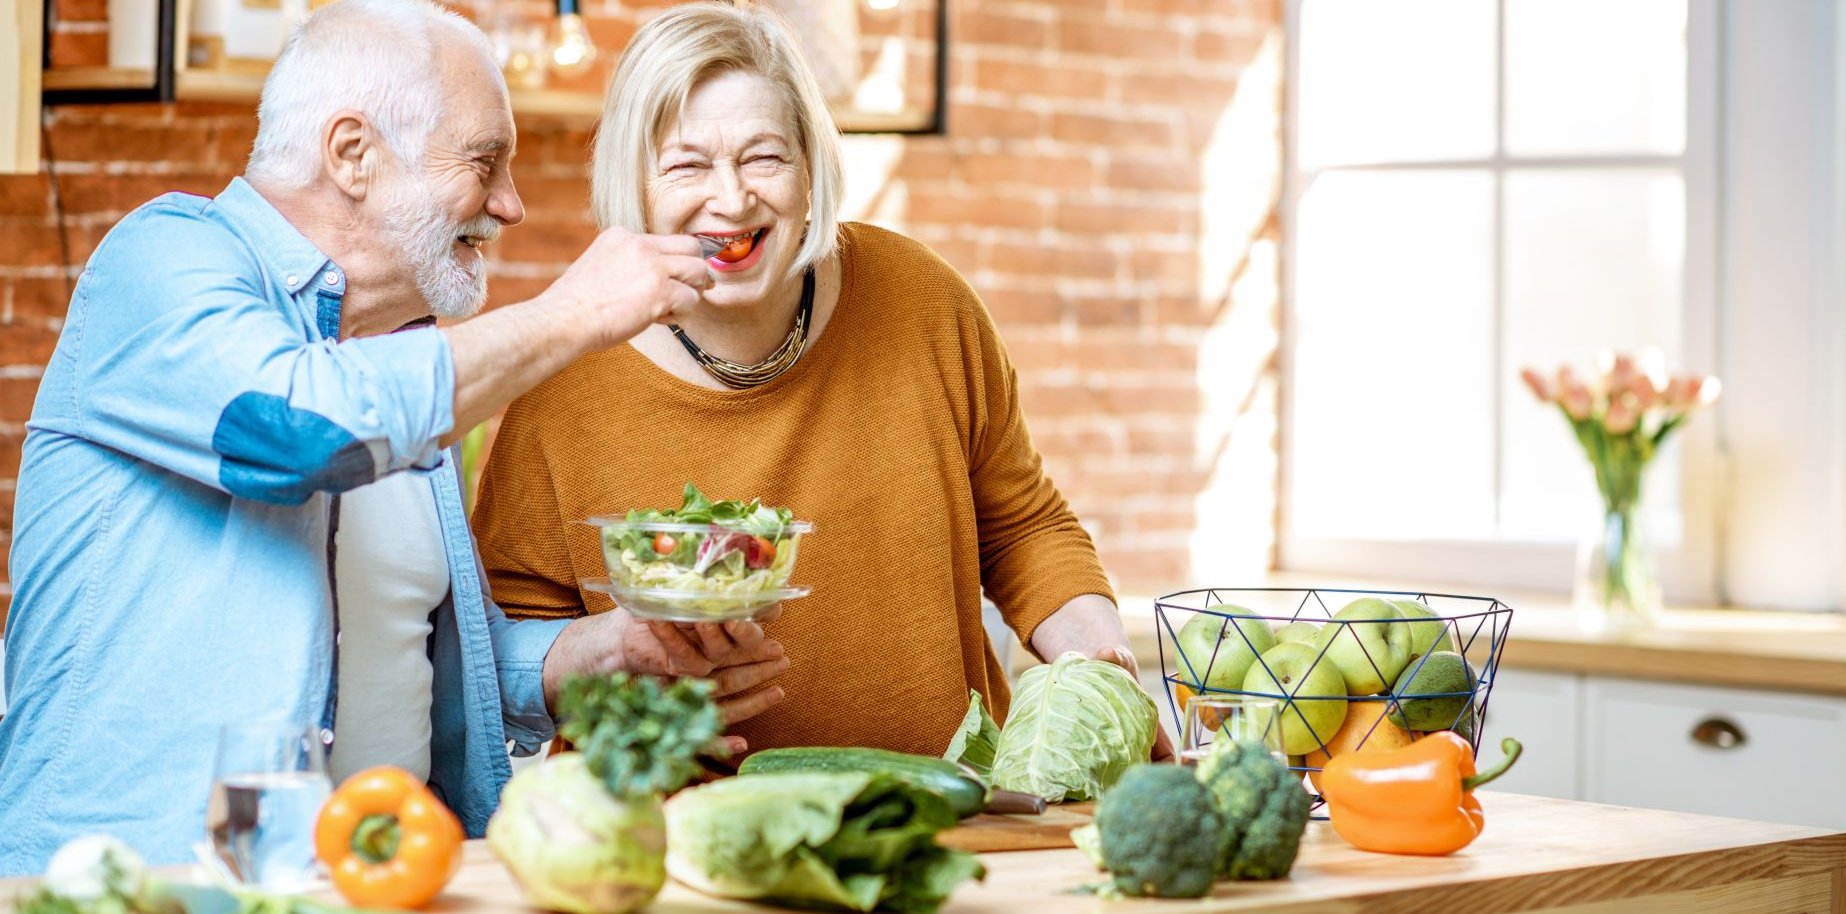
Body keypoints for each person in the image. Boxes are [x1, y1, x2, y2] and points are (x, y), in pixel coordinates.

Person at [0, 0, 787, 875]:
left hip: (380, 879)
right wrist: (576, 313)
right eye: (485, 162)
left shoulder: (404, 357)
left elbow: (431, 658)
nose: (511, 205)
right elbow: (296, 432)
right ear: (352, 154)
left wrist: (602, 654)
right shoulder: (159, 262)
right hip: (140, 883)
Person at [470, 1, 1170, 761]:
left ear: (810, 170)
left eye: (763, 157)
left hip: (952, 819)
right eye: (686, 163)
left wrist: (1103, 665)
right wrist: (622, 666)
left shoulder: (923, 300)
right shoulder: (565, 372)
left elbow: (1024, 527)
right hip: (671, 837)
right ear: (633, 183)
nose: (731, 198)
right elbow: (507, 635)